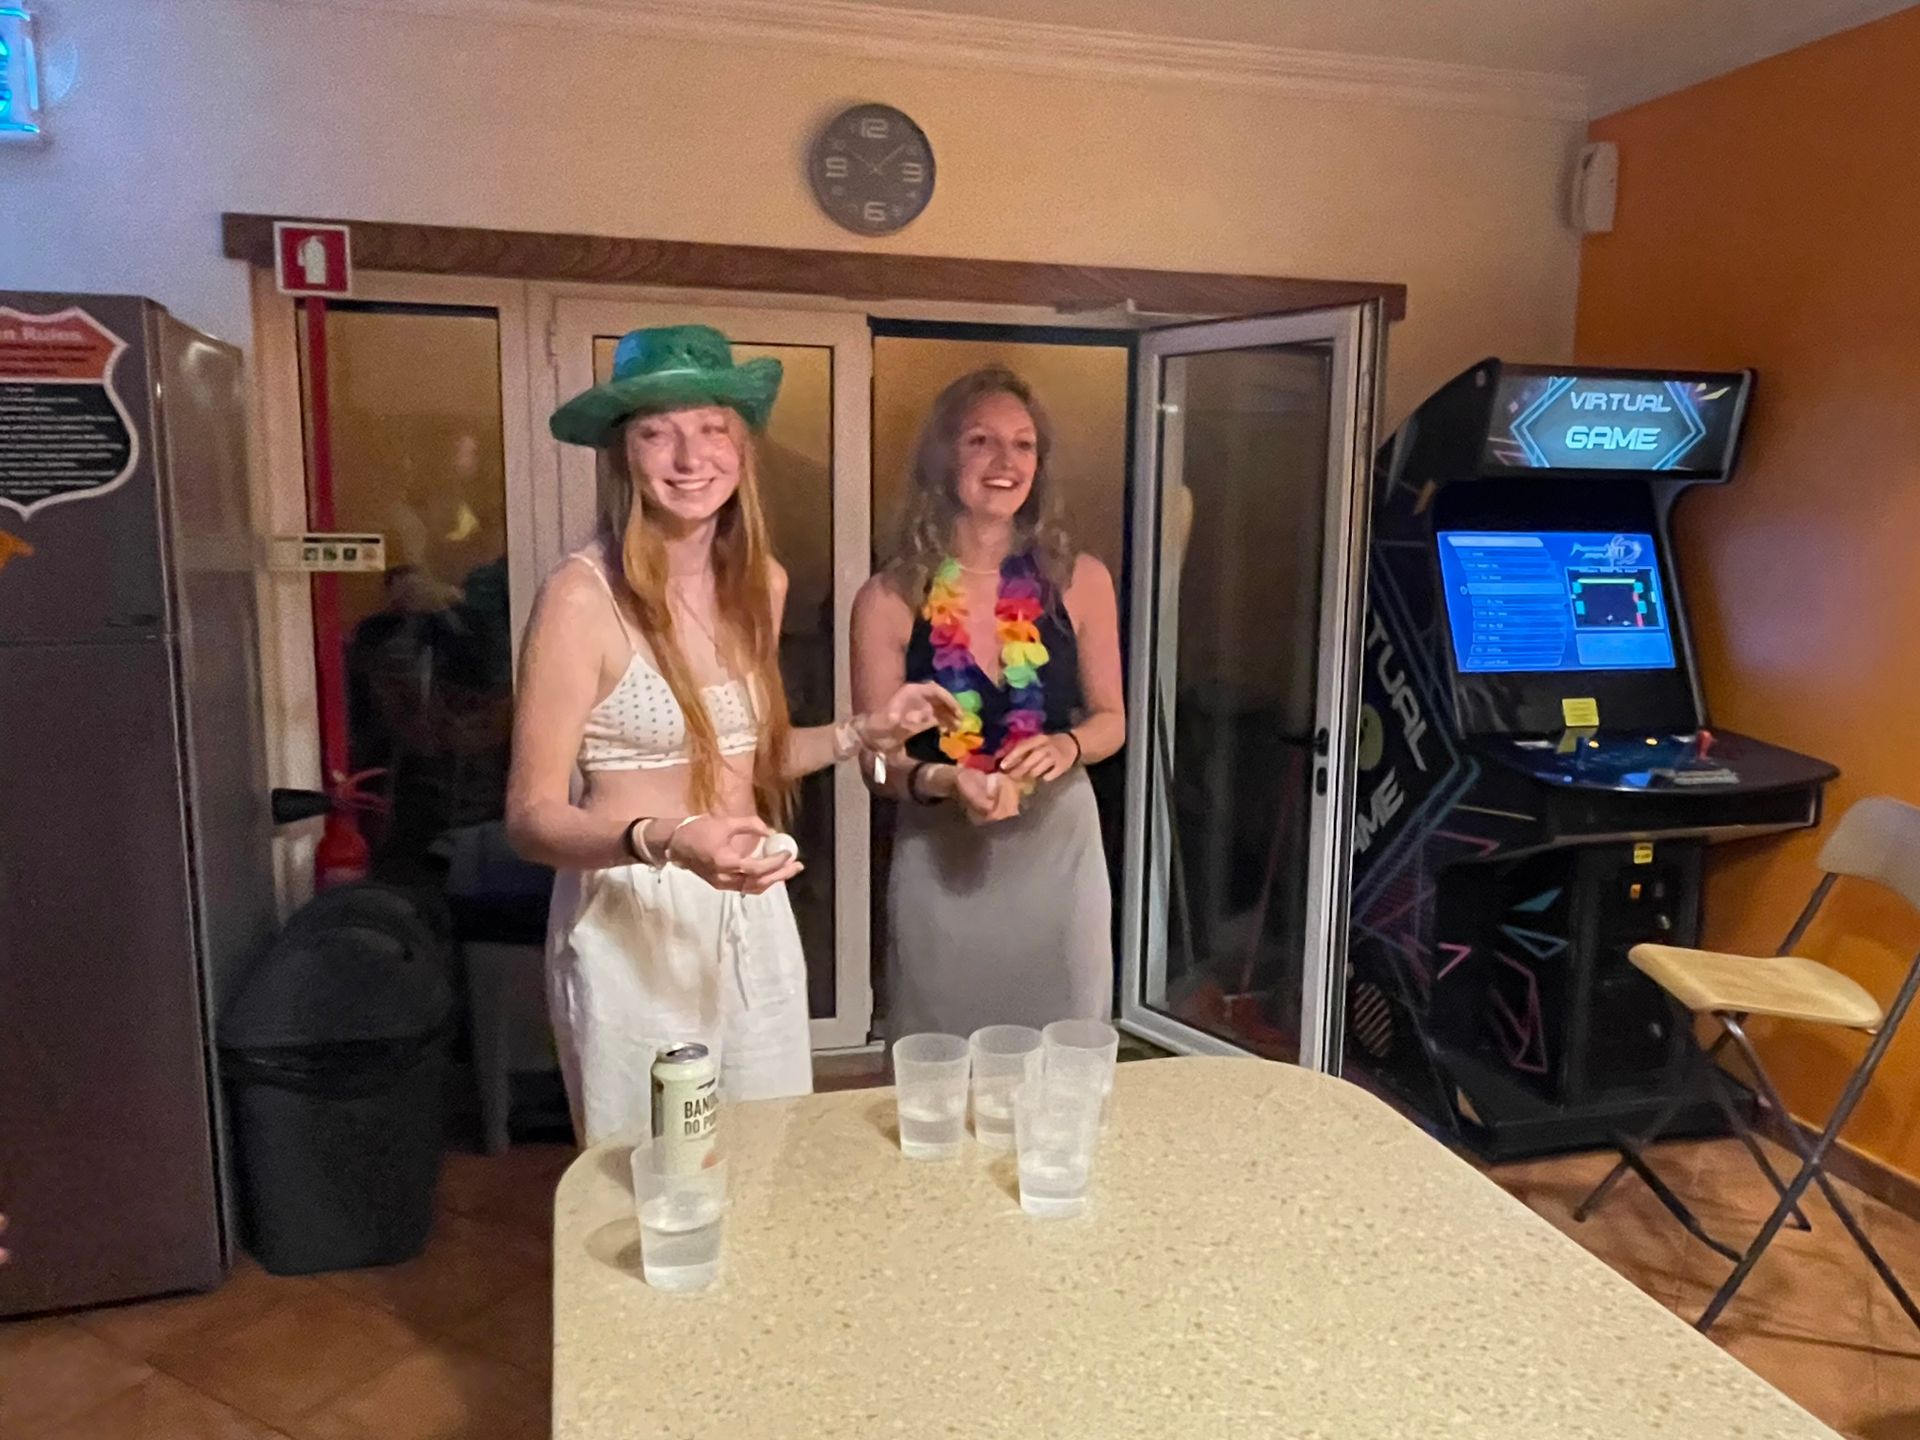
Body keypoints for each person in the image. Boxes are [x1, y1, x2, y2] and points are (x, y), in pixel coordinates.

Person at [508, 325, 958, 1144]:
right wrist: (668, 840)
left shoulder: (761, 582)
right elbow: (532, 816)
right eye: (657, 431)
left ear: (743, 448)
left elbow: (750, 758)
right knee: (648, 1170)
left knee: (762, 1149)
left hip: (749, 907)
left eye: (712, 427)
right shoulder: (581, 598)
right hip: (632, 919)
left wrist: (866, 729)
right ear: (622, 454)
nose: (690, 457)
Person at [853, 366, 1125, 1038]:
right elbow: (876, 766)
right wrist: (944, 779)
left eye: (1024, 445)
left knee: (1060, 1056)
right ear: (944, 458)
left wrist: (1066, 745)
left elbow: (1113, 720)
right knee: (939, 1056)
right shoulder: (888, 598)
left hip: (1058, 858)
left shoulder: (1081, 581)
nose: (1006, 462)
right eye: (981, 441)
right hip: (942, 865)